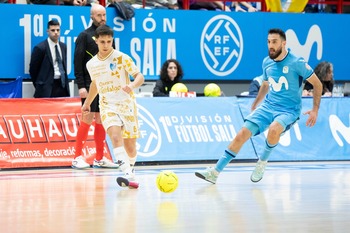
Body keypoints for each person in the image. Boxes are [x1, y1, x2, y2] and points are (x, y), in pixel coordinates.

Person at [195, 28, 322, 184]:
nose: (271, 46)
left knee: (274, 129)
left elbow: (318, 84)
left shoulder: (297, 63)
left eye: (274, 42)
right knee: (241, 134)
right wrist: (256, 103)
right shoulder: (266, 62)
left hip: (289, 110)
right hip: (268, 106)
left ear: (284, 43)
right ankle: (214, 172)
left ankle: (261, 163)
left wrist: (315, 110)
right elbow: (265, 84)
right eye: (268, 42)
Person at [82, 25, 145, 187]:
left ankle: (130, 170)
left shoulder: (121, 58)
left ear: (112, 41)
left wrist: (131, 86)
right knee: (115, 137)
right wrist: (88, 103)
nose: (105, 45)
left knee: (130, 147)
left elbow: (139, 76)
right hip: (107, 105)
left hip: (126, 105)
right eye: (102, 42)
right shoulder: (91, 64)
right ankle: (127, 174)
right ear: (96, 41)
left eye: (109, 42)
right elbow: (95, 84)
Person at [72, 4, 118, 169]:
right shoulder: (84, 36)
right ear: (92, 16)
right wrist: (81, 86)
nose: (103, 18)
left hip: (104, 86)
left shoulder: (109, 37)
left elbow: (113, 63)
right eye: (99, 15)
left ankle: (99, 158)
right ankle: (77, 157)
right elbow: (77, 63)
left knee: (101, 119)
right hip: (89, 85)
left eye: (104, 15)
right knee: (87, 117)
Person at [29, 19, 70, 98]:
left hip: (62, 86)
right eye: (53, 30)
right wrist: (40, 84)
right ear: (47, 31)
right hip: (46, 88)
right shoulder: (40, 48)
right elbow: (33, 70)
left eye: (58, 30)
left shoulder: (63, 46)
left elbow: (63, 66)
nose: (56, 32)